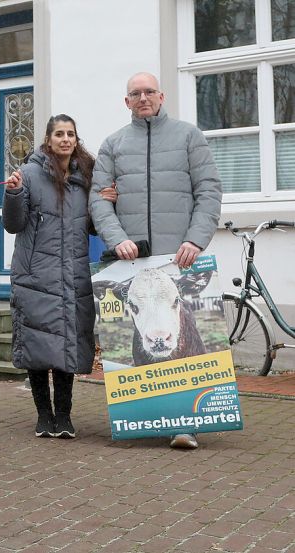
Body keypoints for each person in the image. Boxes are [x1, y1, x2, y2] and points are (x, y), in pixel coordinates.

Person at [89, 72, 222, 450]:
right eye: (135, 93)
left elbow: (208, 190)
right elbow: (99, 199)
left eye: (149, 91)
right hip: (132, 262)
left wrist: (196, 239)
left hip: (178, 260)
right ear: (126, 101)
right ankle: (142, 417)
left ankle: (187, 423)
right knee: (141, 340)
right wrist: (117, 240)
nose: (143, 98)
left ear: (161, 96)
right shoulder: (113, 144)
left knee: (185, 341)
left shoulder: (188, 136)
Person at [3, 114, 101, 439]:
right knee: (37, 346)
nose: (65, 139)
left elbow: (92, 227)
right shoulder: (29, 174)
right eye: (59, 134)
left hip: (73, 274)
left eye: (70, 134)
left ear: (76, 139)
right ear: (48, 139)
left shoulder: (86, 177)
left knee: (66, 347)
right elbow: (13, 225)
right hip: (35, 275)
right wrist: (14, 194)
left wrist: (105, 202)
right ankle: (44, 416)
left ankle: (65, 416)